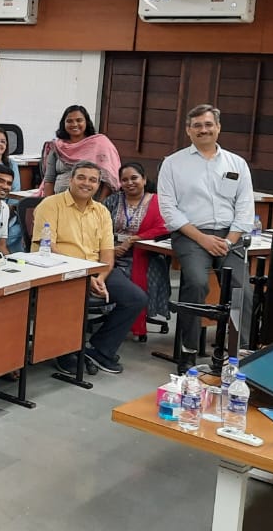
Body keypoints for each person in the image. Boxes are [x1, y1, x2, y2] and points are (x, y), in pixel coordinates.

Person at [157, 104, 255, 368]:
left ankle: (240, 353)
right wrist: (203, 239)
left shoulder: (237, 163)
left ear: (218, 128)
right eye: (197, 125)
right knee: (197, 283)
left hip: (229, 236)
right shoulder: (173, 164)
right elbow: (169, 210)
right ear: (188, 130)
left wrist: (229, 240)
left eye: (208, 124)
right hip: (191, 235)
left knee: (241, 290)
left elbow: (245, 207)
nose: (203, 130)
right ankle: (188, 352)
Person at [32, 161, 147, 375]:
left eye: (93, 180)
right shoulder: (50, 205)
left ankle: (100, 350)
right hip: (60, 271)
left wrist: (100, 277)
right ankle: (65, 351)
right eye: (81, 177)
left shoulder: (101, 211)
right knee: (74, 296)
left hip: (96, 270)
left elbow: (107, 253)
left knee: (136, 298)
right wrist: (84, 276)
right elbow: (48, 248)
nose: (87, 183)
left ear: (98, 185)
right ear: (71, 179)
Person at [103, 162, 170, 338]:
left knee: (140, 273)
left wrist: (134, 239)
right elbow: (97, 227)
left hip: (145, 255)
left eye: (134, 178)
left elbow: (165, 227)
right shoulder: (112, 201)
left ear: (144, 179)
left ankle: (124, 319)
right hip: (110, 253)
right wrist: (110, 249)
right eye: (124, 180)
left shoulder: (158, 202)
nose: (129, 183)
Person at [39, 105, 121, 196]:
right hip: (59, 200)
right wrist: (48, 202)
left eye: (79, 120)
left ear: (86, 122)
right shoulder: (58, 146)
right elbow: (49, 179)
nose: (74, 124)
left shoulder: (100, 143)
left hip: (91, 201)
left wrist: (101, 202)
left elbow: (108, 178)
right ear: (63, 124)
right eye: (69, 121)